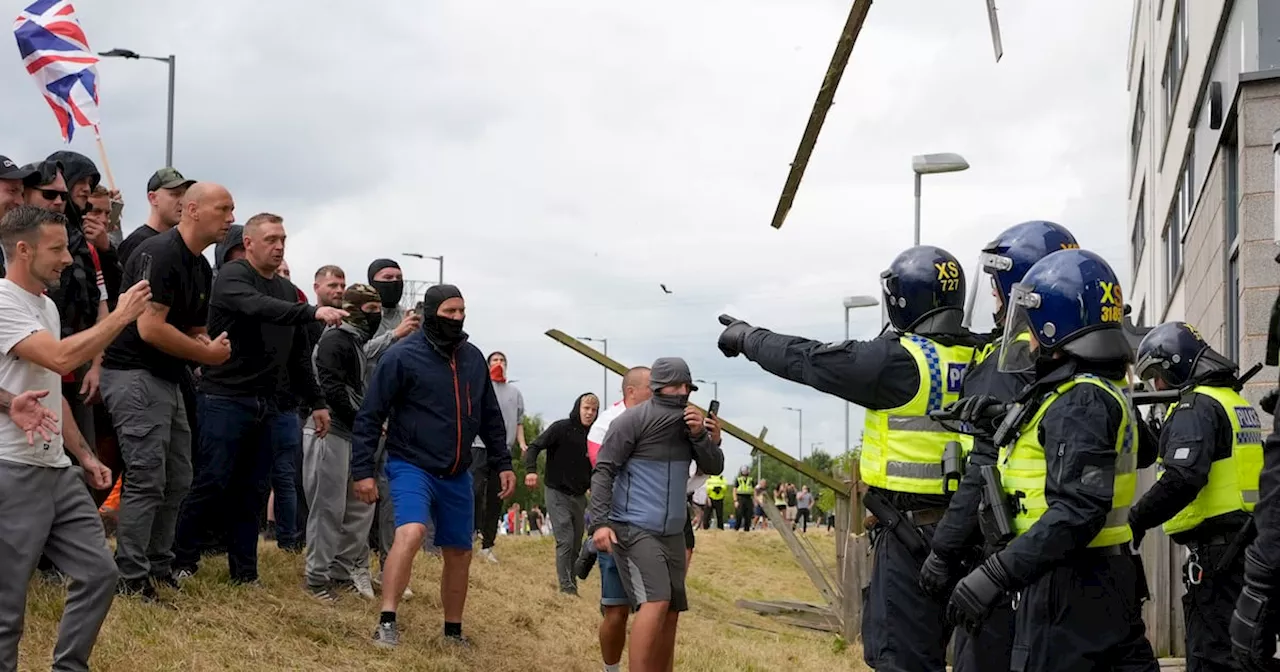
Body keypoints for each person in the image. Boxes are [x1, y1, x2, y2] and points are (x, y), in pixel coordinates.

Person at [716, 244, 983, 671]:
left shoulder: (898, 361)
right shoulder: (985, 355)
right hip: (977, 533)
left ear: (901, 300)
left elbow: (806, 359)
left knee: (902, 657)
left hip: (911, 536)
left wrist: (748, 337)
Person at [943, 249, 1158, 671]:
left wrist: (996, 575)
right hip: (1099, 580)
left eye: (1032, 324)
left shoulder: (1081, 400)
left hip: (1069, 586)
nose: (1028, 336)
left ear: (1055, 322)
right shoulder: (1093, 390)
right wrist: (1003, 418)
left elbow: (1078, 509)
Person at [918, 220, 1079, 672]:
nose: (993, 301)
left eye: (997, 289)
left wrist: (944, 550)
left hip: (1011, 562)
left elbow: (983, 471)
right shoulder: (1086, 363)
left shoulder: (1009, 364)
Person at [0, 205, 151, 671]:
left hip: (56, 469)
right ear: (23, 250)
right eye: (58, 248)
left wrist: (83, 455)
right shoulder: (3, 300)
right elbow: (63, 358)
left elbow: (51, 391)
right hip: (12, 468)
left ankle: (69, 667)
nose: (68, 258)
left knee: (99, 573)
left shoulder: (45, 305)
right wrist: (121, 315)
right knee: (7, 606)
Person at [170, 213, 342, 585]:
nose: (279, 246)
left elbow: (298, 355)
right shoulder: (234, 277)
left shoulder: (286, 291)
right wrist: (312, 310)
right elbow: (256, 306)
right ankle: (181, 560)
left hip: (268, 403)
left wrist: (316, 401)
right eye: (270, 239)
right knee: (212, 481)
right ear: (248, 243)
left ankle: (244, 573)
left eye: (282, 239)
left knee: (253, 489)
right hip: (224, 398)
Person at [350, 283, 515, 648]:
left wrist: (504, 462)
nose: (457, 319)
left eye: (461, 312)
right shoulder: (402, 356)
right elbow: (369, 414)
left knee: (460, 551)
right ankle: (387, 621)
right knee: (410, 533)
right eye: (449, 313)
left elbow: (489, 416)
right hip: (411, 464)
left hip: (457, 470)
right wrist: (362, 470)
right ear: (430, 314)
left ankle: (452, 632)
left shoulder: (473, 358)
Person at [100, 183, 232, 600]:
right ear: (193, 210)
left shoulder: (200, 265)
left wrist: (211, 345)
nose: (230, 217)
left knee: (179, 476)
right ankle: (131, 575)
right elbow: (150, 328)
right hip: (135, 373)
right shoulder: (161, 253)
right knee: (147, 476)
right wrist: (206, 355)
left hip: (167, 377)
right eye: (223, 208)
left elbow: (192, 328)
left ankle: (158, 565)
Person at [1128, 322, 1260, 671]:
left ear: (1176, 364)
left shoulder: (1196, 406)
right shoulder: (1232, 401)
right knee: (1242, 653)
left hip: (1221, 556)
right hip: (1244, 547)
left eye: (1157, 374)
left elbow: (1183, 477)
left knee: (1212, 657)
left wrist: (1136, 519)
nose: (1156, 385)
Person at [588, 357, 724, 672]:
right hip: (634, 528)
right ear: (657, 387)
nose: (683, 393)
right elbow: (604, 471)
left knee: (672, 609)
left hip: (674, 532)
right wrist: (599, 524)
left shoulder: (691, 425)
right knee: (656, 600)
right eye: (676, 386)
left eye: (687, 387)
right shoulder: (630, 421)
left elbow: (714, 467)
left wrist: (702, 437)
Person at [303, 283, 383, 602]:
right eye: (371, 310)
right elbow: (332, 388)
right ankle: (316, 578)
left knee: (354, 507)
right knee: (327, 508)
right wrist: (364, 419)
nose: (376, 317)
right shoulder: (335, 339)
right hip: (329, 431)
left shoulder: (353, 341)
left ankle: (338, 571)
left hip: (347, 433)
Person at [577, 366, 652, 672]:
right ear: (631, 391)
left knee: (655, 609)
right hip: (618, 522)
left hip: (654, 527)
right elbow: (603, 471)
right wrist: (601, 523)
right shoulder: (605, 423)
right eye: (652, 386)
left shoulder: (664, 419)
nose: (658, 391)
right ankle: (611, 669)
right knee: (616, 611)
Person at [361, 258, 422, 582]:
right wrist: (394, 336)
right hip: (365, 416)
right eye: (387, 277)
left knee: (391, 500)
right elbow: (359, 353)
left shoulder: (410, 319)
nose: (395, 282)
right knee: (358, 497)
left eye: (399, 277)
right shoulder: (364, 313)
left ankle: (389, 568)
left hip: (400, 421)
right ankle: (354, 566)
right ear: (372, 280)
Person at [525, 392, 598, 594]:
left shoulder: (595, 436)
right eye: (586, 408)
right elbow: (534, 446)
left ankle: (571, 581)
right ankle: (566, 589)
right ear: (578, 408)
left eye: (593, 410)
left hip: (579, 496)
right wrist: (531, 470)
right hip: (556, 491)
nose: (590, 413)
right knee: (565, 539)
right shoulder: (561, 428)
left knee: (575, 543)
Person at [474, 351, 529, 563]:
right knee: (476, 489)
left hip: (502, 450)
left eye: (502, 360)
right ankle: (473, 531)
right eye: (495, 360)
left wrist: (522, 443)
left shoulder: (514, 393)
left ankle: (488, 544)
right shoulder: (481, 387)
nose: (499, 363)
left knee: (497, 496)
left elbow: (519, 422)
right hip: (478, 445)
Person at [118, 168, 195, 265]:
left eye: (185, 195)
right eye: (175, 194)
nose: (182, 201)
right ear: (153, 198)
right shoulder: (137, 242)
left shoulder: (183, 246)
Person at [733, 465, 754, 533]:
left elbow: (754, 490)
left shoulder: (751, 480)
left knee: (748, 516)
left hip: (748, 498)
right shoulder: (738, 480)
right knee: (739, 515)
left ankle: (746, 530)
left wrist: (755, 500)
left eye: (746, 470)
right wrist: (735, 500)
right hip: (740, 498)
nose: (745, 472)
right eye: (744, 470)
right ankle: (736, 529)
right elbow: (734, 490)